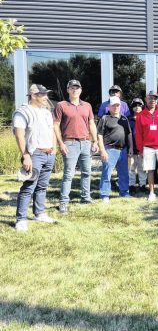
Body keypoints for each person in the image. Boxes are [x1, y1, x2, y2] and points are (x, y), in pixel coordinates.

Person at [12, 84, 57, 231]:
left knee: (42, 186)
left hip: (48, 153)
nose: (46, 97)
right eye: (43, 95)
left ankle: (39, 213)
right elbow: (19, 135)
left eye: (46, 94)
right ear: (33, 95)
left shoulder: (46, 112)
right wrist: (26, 155)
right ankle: (21, 219)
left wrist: (54, 150)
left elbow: (52, 132)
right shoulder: (23, 112)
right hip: (34, 154)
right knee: (28, 187)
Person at [53, 79, 99, 213]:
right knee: (68, 174)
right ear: (68, 90)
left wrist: (95, 141)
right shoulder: (61, 105)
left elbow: (91, 124)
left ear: (81, 90)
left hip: (85, 142)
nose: (75, 90)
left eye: (77, 88)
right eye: (72, 88)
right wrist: (60, 143)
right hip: (69, 143)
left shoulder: (87, 106)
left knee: (86, 172)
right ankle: (63, 201)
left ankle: (85, 197)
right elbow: (55, 125)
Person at [97, 96, 133, 202]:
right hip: (109, 149)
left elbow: (129, 134)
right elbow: (99, 135)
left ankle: (124, 193)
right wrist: (102, 150)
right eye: (113, 105)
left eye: (117, 105)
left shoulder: (124, 118)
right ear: (109, 107)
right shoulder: (105, 118)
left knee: (124, 173)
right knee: (107, 173)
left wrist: (130, 147)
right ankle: (104, 195)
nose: (116, 107)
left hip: (123, 150)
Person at [128, 98, 147, 193]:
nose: (137, 107)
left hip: (143, 148)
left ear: (142, 107)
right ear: (132, 108)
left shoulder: (145, 119)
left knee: (142, 167)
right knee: (131, 167)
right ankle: (131, 185)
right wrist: (130, 147)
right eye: (135, 105)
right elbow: (128, 134)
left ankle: (142, 184)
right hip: (132, 147)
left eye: (139, 105)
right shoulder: (129, 120)